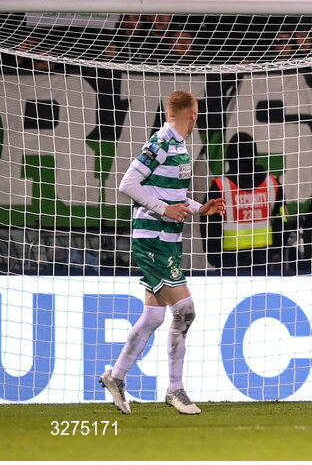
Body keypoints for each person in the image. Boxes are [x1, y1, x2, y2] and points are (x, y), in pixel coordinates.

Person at [100, 90, 226, 415]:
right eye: (197, 113)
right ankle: (175, 389)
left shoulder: (180, 145)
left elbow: (172, 196)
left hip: (168, 239)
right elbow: (127, 183)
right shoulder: (160, 141)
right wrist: (164, 210)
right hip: (152, 238)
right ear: (193, 114)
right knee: (185, 310)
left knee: (154, 316)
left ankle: (115, 376)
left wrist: (200, 208)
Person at [203, 132, 285, 275]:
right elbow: (283, 221)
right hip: (264, 262)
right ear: (255, 153)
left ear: (230, 155)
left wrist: (215, 258)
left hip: (228, 264)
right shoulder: (272, 184)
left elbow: (208, 226)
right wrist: (276, 251)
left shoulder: (220, 186)